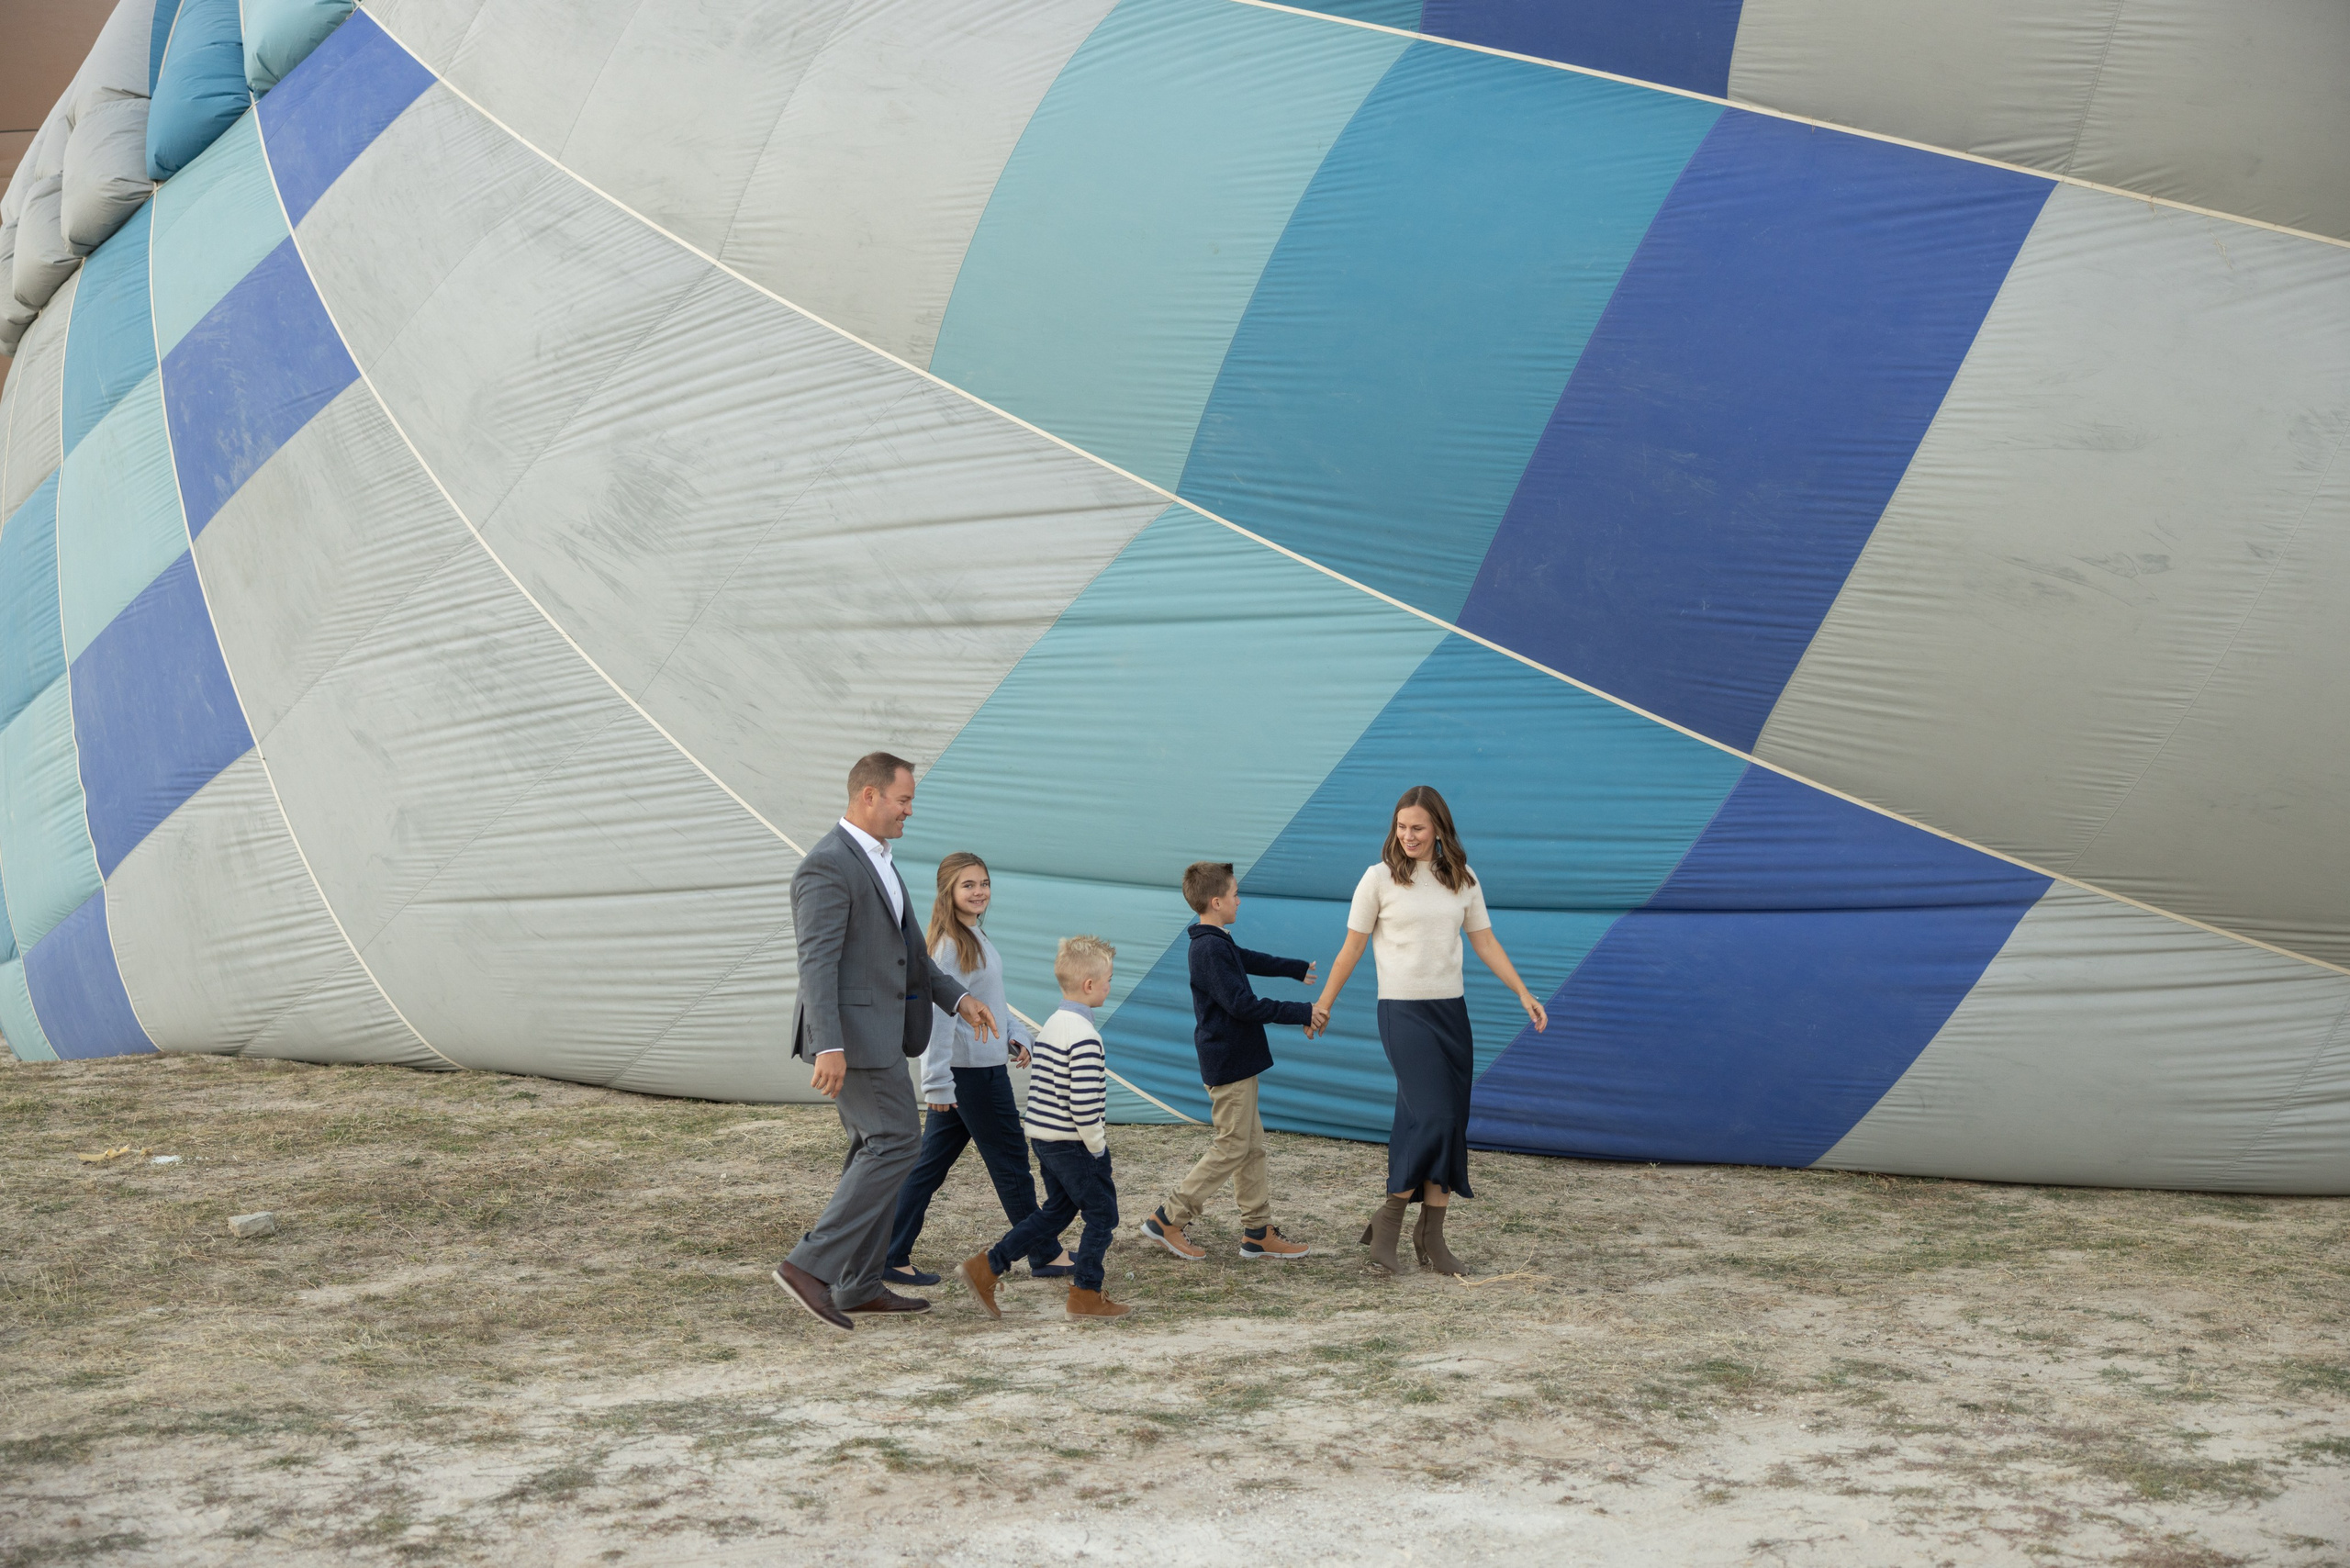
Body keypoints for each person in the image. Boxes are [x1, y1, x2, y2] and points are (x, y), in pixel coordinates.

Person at [772, 752, 1001, 1330]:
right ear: (868, 796)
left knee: (875, 1150)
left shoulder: (877, 859)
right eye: (903, 799)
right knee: (897, 1143)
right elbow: (816, 964)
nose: (909, 810)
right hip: (851, 1038)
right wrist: (828, 1045)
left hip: (878, 1035)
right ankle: (809, 1267)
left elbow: (911, 956)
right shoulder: (827, 865)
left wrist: (957, 996)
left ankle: (858, 1283)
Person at [1308, 786, 1548, 1276]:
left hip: (1451, 1014)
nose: (1408, 836)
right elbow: (1351, 949)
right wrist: (1324, 1005)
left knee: (1446, 1121)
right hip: (1402, 1013)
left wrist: (1522, 992)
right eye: (1401, 827)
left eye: (1418, 827)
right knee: (1435, 1116)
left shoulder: (1462, 878)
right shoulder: (1377, 880)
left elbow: (1485, 941)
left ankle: (1431, 1238)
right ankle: (1390, 1220)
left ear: (1438, 827)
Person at [881, 852, 1076, 1286]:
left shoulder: (973, 935)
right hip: (969, 1077)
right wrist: (938, 1084)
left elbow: (990, 1001)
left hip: (978, 1070)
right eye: (968, 885)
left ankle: (889, 1253)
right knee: (1011, 1166)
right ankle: (1045, 1251)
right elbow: (942, 1016)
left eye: (984, 883)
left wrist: (1017, 1035)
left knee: (927, 1168)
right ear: (948, 891)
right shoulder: (950, 946)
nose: (979, 891)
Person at [1138, 861, 1317, 1262]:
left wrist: (1294, 969)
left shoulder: (1217, 942)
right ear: (1216, 902)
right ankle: (1168, 1217)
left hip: (1239, 1060)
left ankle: (1258, 1232)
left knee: (1250, 1147)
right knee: (1233, 1146)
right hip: (1229, 1063)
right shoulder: (1207, 949)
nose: (1240, 899)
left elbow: (1248, 959)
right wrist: (1302, 1012)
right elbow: (1242, 1004)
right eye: (1235, 893)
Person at [959, 935, 1131, 1320]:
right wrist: (1098, 1147)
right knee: (1103, 1214)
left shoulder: (1053, 1024)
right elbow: (1085, 1105)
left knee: (1055, 1211)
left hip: (1045, 1138)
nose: (1109, 986)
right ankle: (1086, 1294)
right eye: (1108, 979)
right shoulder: (1086, 1036)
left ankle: (986, 1267)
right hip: (1074, 1144)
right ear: (1089, 985)